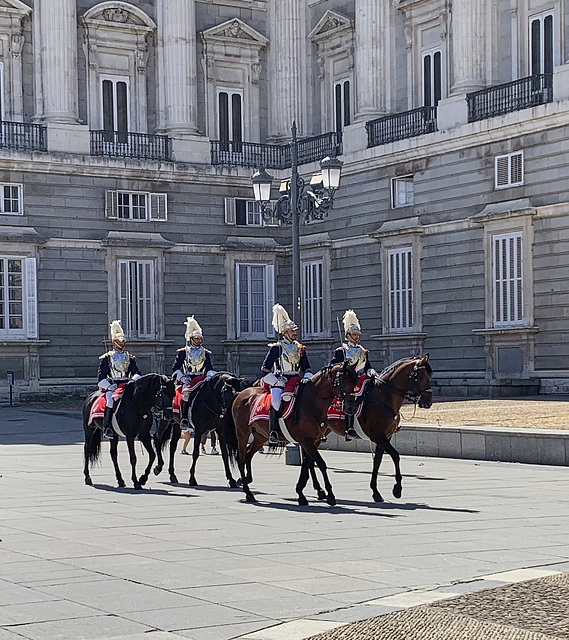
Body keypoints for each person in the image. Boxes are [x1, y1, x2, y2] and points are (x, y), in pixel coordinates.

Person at [261, 304, 312, 444]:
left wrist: (307, 375)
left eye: (295, 330)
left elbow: (306, 366)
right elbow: (265, 368)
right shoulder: (277, 348)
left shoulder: (300, 348)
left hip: (296, 378)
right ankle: (272, 430)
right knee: (276, 401)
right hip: (280, 379)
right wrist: (276, 381)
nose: (294, 333)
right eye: (291, 331)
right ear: (285, 333)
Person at [330, 309, 378, 440]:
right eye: (354, 335)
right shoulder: (342, 351)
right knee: (352, 397)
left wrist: (371, 371)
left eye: (358, 335)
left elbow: (367, 366)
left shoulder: (363, 351)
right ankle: (349, 427)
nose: (357, 337)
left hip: (363, 379)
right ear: (348, 335)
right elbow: (333, 366)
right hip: (348, 382)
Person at [172, 315, 216, 439]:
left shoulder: (205, 353)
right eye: (196, 339)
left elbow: (209, 367)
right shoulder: (184, 352)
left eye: (200, 338)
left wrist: (209, 375)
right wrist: (181, 377)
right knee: (186, 395)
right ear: (191, 339)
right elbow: (175, 368)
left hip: (202, 378)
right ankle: (184, 419)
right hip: (188, 379)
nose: (198, 341)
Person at [98, 320, 141, 439]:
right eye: (119, 341)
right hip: (112, 384)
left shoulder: (129, 357)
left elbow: (136, 372)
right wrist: (108, 386)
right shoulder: (107, 357)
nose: (122, 344)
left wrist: (133, 380)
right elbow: (101, 376)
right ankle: (107, 427)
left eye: (123, 341)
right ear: (114, 342)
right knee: (110, 401)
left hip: (126, 384)